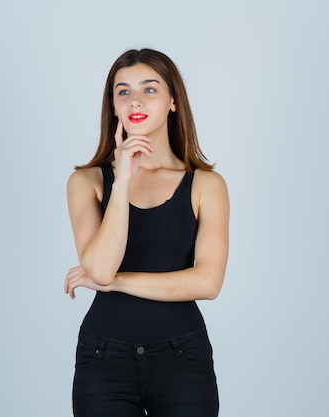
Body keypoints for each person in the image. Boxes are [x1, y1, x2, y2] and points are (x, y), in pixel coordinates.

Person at [64, 48, 229, 417]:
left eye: (149, 89)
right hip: (103, 358)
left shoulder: (206, 185)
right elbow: (100, 269)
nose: (135, 99)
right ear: (113, 105)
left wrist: (118, 283)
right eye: (123, 91)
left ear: (173, 101)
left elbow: (208, 283)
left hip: (183, 357)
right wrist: (121, 181)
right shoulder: (87, 181)